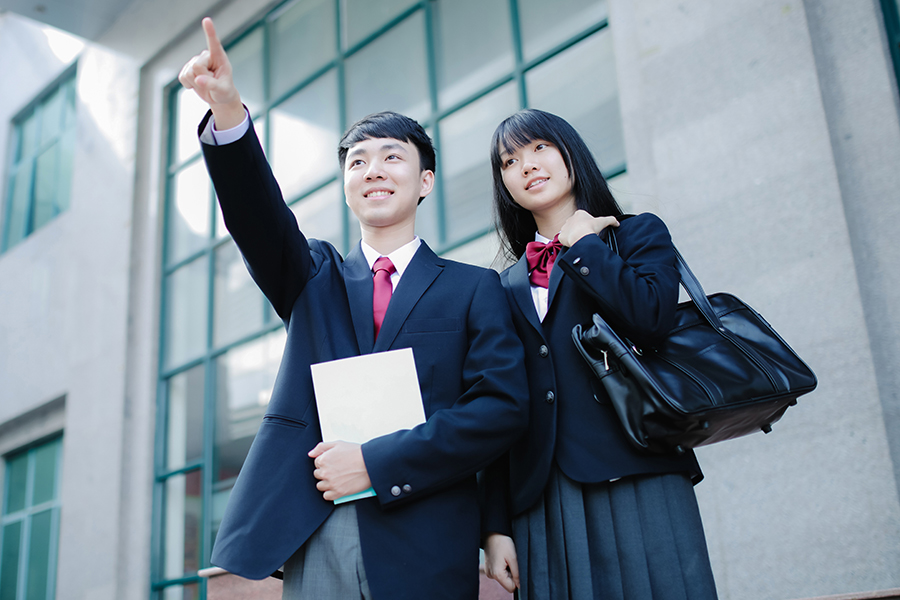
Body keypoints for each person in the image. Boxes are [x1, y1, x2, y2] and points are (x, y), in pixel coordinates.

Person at [178, 17, 528, 600]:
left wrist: (378, 462)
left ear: (426, 181)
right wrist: (230, 113)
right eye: (358, 161)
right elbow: (256, 216)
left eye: (392, 158)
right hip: (319, 527)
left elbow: (500, 410)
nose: (373, 171)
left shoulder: (474, 289)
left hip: (427, 525)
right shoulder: (313, 276)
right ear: (346, 183)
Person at [480, 108, 718, 599]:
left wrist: (587, 245)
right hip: (543, 497)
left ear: (571, 153)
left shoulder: (635, 235)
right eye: (509, 161)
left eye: (539, 148)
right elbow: (499, 403)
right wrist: (494, 525)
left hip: (637, 470)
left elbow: (652, 320)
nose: (526, 165)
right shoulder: (501, 285)